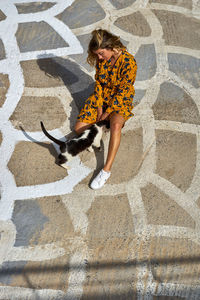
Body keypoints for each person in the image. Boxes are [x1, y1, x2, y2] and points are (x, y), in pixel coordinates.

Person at [74, 29, 137, 189]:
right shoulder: (101, 60)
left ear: (111, 47)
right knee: (78, 129)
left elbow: (124, 91)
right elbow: (100, 85)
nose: (99, 58)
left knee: (116, 125)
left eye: (101, 53)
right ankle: (103, 125)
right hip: (104, 96)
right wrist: (100, 107)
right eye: (97, 54)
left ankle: (106, 170)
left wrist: (107, 112)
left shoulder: (129, 62)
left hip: (120, 99)